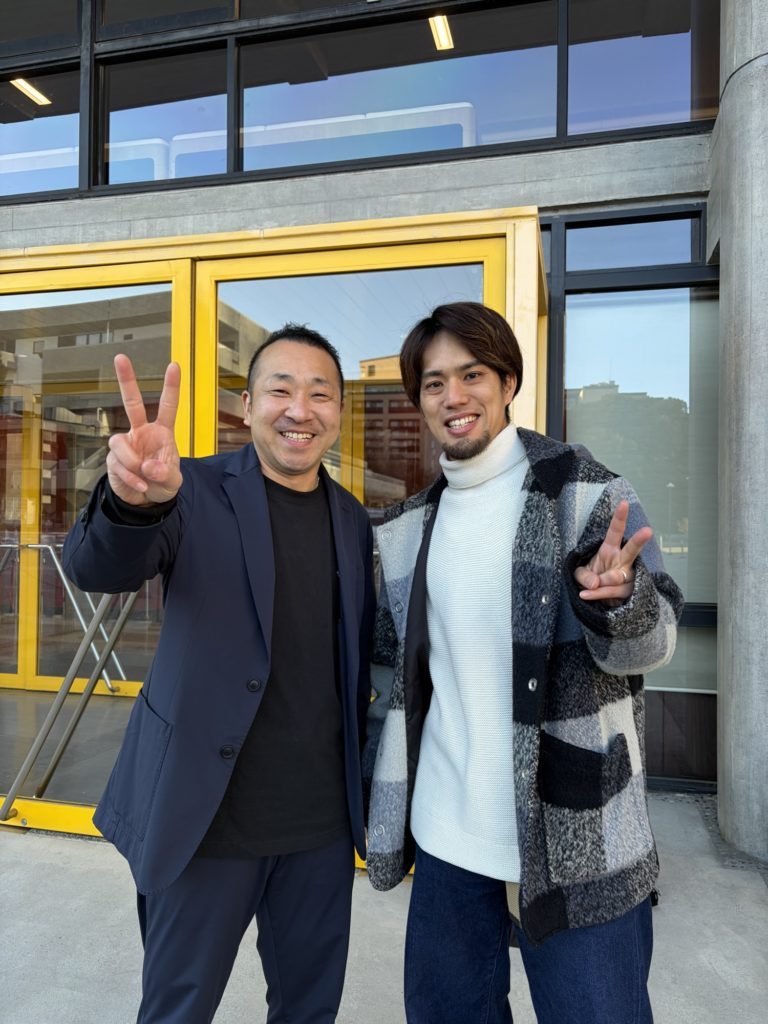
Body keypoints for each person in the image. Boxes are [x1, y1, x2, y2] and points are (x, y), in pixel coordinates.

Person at [365, 301, 684, 1024]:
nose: (454, 396)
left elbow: (656, 642)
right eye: (434, 383)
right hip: (447, 837)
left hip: (578, 831)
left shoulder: (587, 493)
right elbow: (395, 678)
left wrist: (619, 603)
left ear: (507, 382)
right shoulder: (408, 528)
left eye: (472, 375)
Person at [63, 325, 375, 1024]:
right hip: (203, 820)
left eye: (320, 393)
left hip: (319, 829)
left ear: (338, 412)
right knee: (177, 1010)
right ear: (248, 405)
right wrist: (132, 503)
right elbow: (98, 568)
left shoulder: (353, 520)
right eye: (281, 390)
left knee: (310, 1011)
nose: (300, 410)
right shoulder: (190, 488)